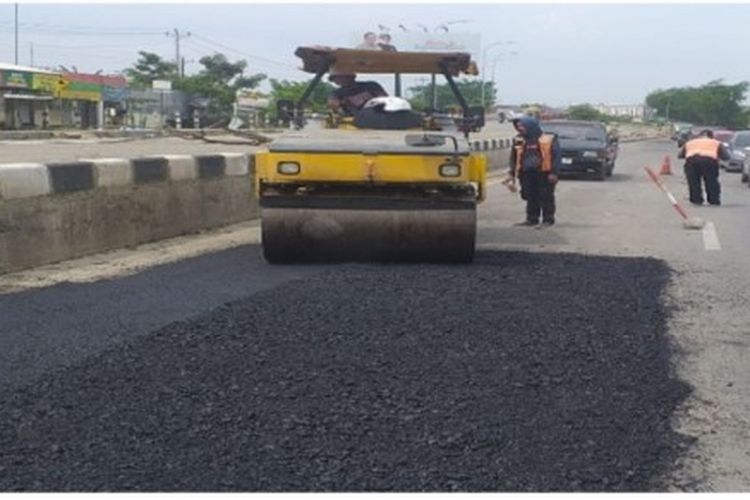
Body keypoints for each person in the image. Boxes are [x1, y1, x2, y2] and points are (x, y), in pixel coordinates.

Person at [509, 116, 562, 226]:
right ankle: (532, 219)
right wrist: (511, 173)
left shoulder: (549, 139)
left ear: (530, 126)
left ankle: (548, 219)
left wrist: (554, 172)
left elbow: (556, 156)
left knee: (546, 196)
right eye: (518, 126)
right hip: (526, 173)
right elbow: (514, 157)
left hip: (544, 173)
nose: (520, 128)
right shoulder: (519, 140)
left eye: (522, 126)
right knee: (529, 196)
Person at [678, 129, 730, 205]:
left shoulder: (690, 142)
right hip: (709, 161)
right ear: (712, 136)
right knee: (711, 181)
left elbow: (680, 155)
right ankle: (713, 200)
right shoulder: (716, 143)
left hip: (692, 161)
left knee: (693, 182)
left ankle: (696, 200)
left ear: (699, 136)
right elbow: (726, 156)